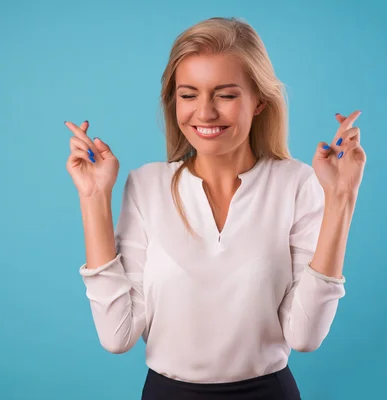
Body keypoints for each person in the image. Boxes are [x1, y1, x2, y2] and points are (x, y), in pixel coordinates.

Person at [64, 16, 366, 400]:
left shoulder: (296, 183)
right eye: (188, 95)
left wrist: (341, 197)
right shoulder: (146, 185)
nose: (204, 113)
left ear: (259, 100)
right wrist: (93, 197)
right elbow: (116, 335)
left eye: (225, 95)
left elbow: (305, 337)